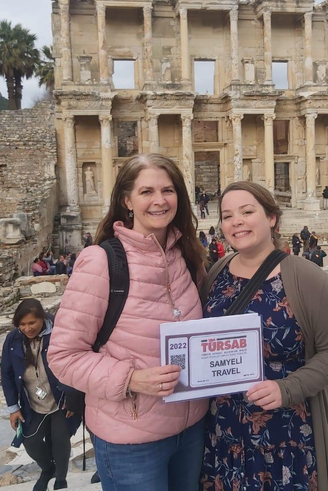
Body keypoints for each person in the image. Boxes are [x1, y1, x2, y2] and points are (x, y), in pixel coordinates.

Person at [47, 154, 209, 491]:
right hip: (130, 440)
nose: (160, 200)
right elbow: (62, 357)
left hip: (191, 429)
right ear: (127, 200)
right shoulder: (101, 261)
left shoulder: (187, 257)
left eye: (168, 190)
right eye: (146, 191)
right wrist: (132, 379)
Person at [200, 181, 328, 491]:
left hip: (287, 434)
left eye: (247, 211)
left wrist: (287, 388)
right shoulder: (215, 274)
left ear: (272, 218)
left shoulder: (305, 277)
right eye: (227, 216)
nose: (236, 222)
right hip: (223, 434)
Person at [1, 299, 83, 491]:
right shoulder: (12, 340)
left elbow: (75, 363)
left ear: (42, 319)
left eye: (32, 323)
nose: (27, 328)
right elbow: (6, 373)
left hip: (61, 399)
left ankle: (61, 478)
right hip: (33, 401)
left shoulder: (59, 333)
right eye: (22, 324)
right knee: (31, 441)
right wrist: (13, 408)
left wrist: (73, 397)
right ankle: (48, 469)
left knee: (60, 439)